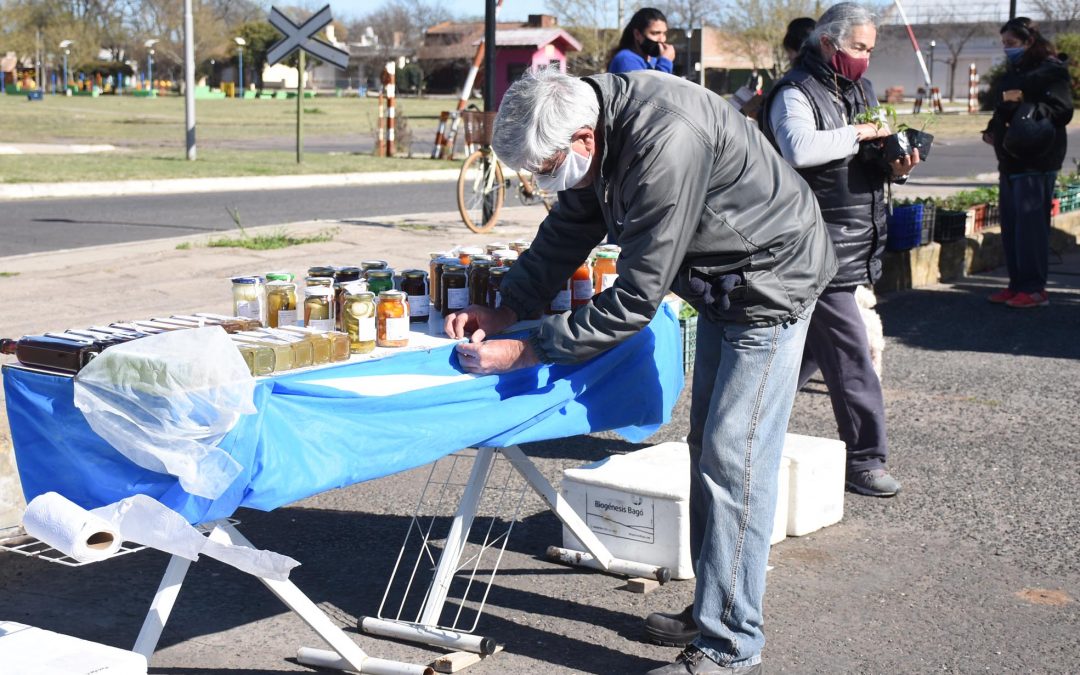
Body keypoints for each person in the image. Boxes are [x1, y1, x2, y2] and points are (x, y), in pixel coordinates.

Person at [445, 66, 837, 674]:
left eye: (544, 170)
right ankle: (717, 605)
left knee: (735, 459)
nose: (541, 183)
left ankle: (730, 643)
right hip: (727, 282)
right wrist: (507, 307)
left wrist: (528, 349)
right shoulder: (595, 119)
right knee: (709, 447)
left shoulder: (664, 143)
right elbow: (571, 225)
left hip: (770, 285)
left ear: (583, 141)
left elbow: (634, 298)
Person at [761, 3, 919, 498]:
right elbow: (800, 149)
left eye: (871, 49)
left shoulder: (859, 89)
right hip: (815, 247)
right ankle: (866, 460)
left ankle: (743, 435)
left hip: (853, 240)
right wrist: (857, 134)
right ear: (828, 43)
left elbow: (864, 155)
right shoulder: (794, 92)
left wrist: (897, 163)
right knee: (852, 358)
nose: (866, 59)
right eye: (859, 48)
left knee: (801, 355)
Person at [982, 17, 1073, 308]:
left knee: (1031, 227)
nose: (1007, 49)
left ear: (1028, 41)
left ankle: (1034, 289)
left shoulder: (1051, 71)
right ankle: (1016, 284)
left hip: (1037, 158)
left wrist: (1027, 105)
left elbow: (1063, 110)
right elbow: (1003, 108)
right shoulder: (1014, 71)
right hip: (1010, 158)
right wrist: (994, 127)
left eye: (1012, 43)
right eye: (1004, 44)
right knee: (1011, 224)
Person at [608, 8, 676, 74]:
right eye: (655, 33)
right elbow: (652, 85)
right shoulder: (626, 59)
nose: (662, 39)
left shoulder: (652, 60)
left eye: (664, 33)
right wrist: (665, 63)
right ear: (637, 34)